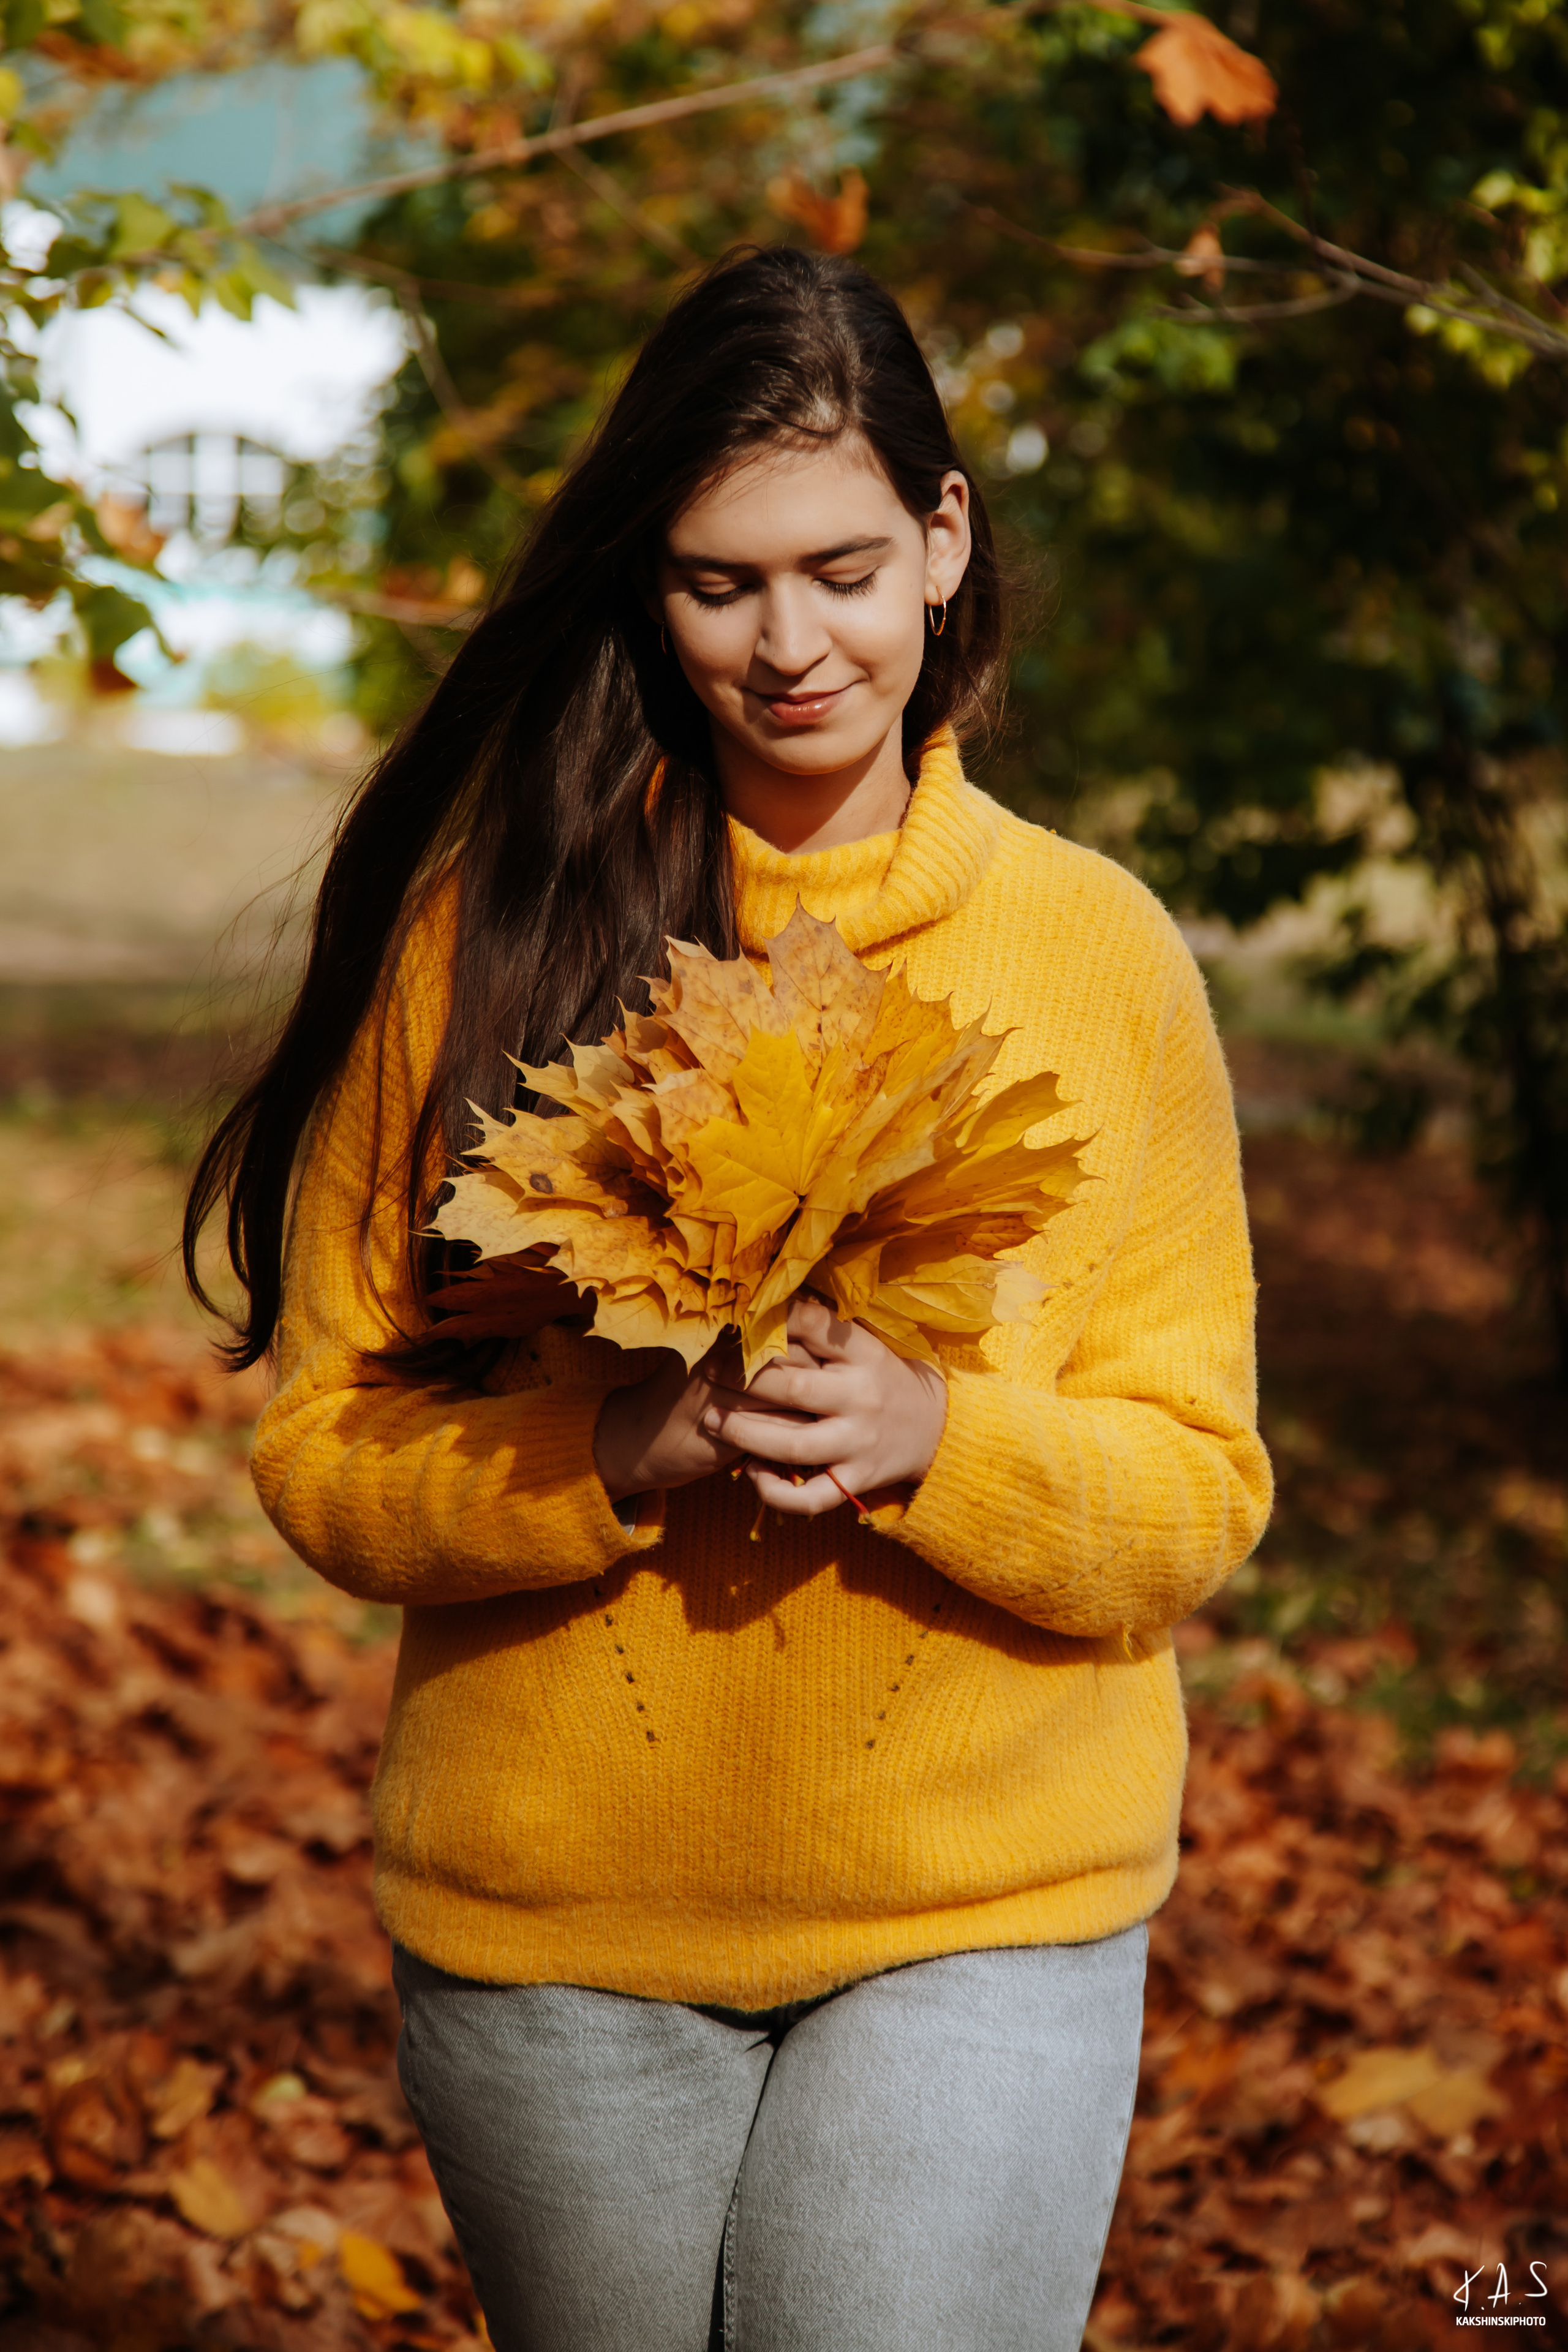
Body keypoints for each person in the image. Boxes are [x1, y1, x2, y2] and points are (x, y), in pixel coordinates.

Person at [184, 245, 1272, 2352]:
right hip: (553, 1936)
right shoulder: (480, 944)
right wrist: (605, 1446)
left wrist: (948, 1443)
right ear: (648, 587)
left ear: (946, 544)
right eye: (718, 584)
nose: (793, 645)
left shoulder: (1099, 954)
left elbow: (1199, 1489)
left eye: (847, 568)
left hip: (985, 1911)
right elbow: (327, 1454)